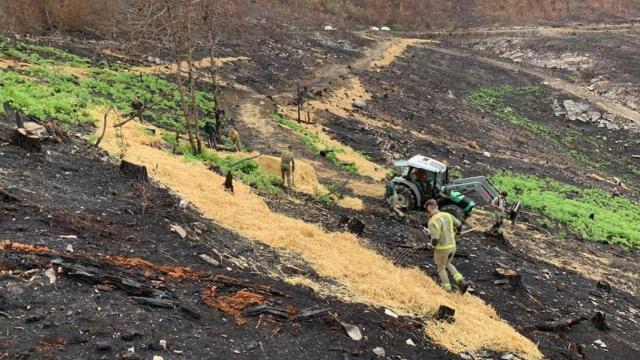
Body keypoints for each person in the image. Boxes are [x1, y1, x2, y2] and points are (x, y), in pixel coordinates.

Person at [426, 199, 468, 294]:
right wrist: (456, 234)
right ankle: (460, 280)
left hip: (442, 249)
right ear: (437, 206)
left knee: (441, 268)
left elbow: (435, 239)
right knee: (448, 264)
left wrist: (431, 245)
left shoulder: (432, 221)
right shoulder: (447, 215)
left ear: (429, 208)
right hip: (452, 246)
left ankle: (446, 288)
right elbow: (459, 225)